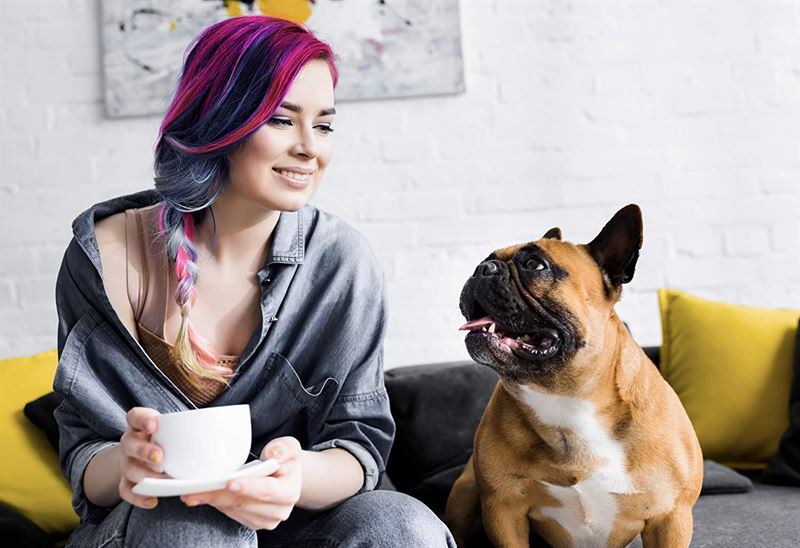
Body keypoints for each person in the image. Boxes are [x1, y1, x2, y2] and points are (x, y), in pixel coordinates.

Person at [52, 15, 455, 547]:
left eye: (325, 125)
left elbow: (358, 446)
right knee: (192, 523)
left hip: (300, 524)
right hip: (150, 527)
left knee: (401, 525)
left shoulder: (342, 264)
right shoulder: (106, 257)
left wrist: (294, 477)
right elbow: (85, 453)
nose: (310, 148)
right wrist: (125, 463)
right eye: (282, 121)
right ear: (220, 119)